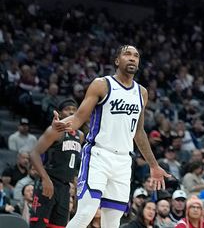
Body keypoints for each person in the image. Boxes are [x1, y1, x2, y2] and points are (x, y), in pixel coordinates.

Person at [52, 45, 170, 228]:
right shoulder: (102, 84)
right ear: (117, 60)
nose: (132, 58)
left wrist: (153, 165)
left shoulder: (142, 93)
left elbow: (138, 132)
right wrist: (62, 125)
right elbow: (79, 117)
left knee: (113, 222)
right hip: (98, 155)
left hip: (123, 161)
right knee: (86, 212)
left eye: (136, 56)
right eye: (127, 54)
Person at [29, 98, 83, 228]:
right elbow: (34, 154)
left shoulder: (80, 135)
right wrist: (45, 179)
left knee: (59, 226)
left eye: (74, 109)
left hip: (65, 187)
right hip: (49, 182)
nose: (71, 112)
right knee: (38, 224)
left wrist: (75, 179)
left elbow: (72, 160)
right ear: (59, 112)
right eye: (67, 109)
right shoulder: (55, 131)